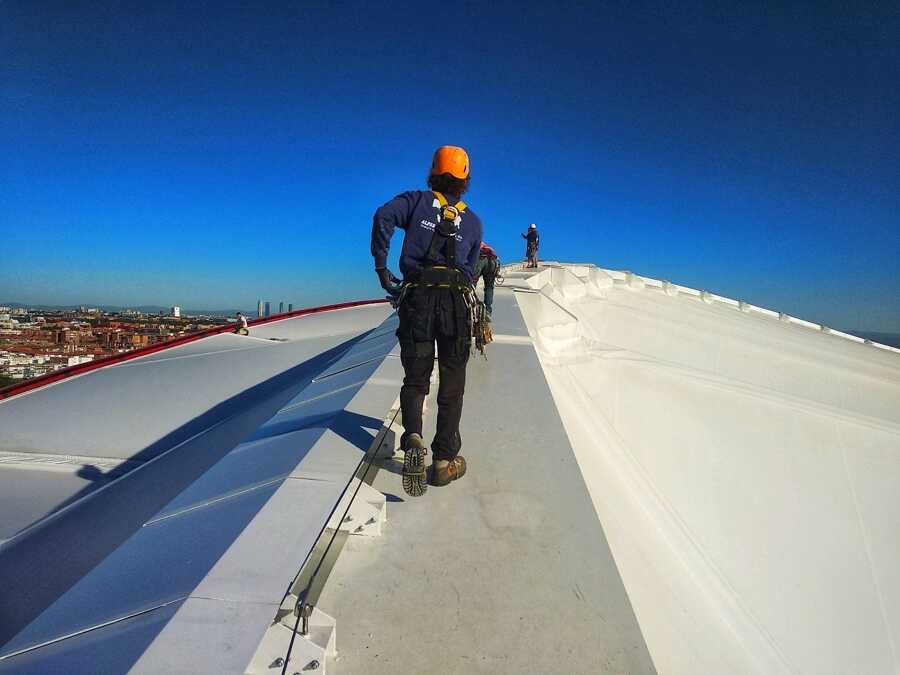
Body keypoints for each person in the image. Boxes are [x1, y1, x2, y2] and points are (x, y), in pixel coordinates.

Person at [370, 145, 483, 495]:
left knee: (416, 378)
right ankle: (443, 461)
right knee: (452, 384)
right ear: (465, 178)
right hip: (456, 306)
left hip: (418, 299)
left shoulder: (415, 202)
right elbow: (472, 269)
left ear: (434, 171)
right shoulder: (474, 221)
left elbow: (382, 216)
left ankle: (414, 435)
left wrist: (381, 265)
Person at [473, 241, 499, 317]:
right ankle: (488, 311)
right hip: (492, 262)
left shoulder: (470, 240)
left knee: (471, 283)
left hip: (480, 259)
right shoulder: (486, 246)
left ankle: (469, 306)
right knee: (489, 287)